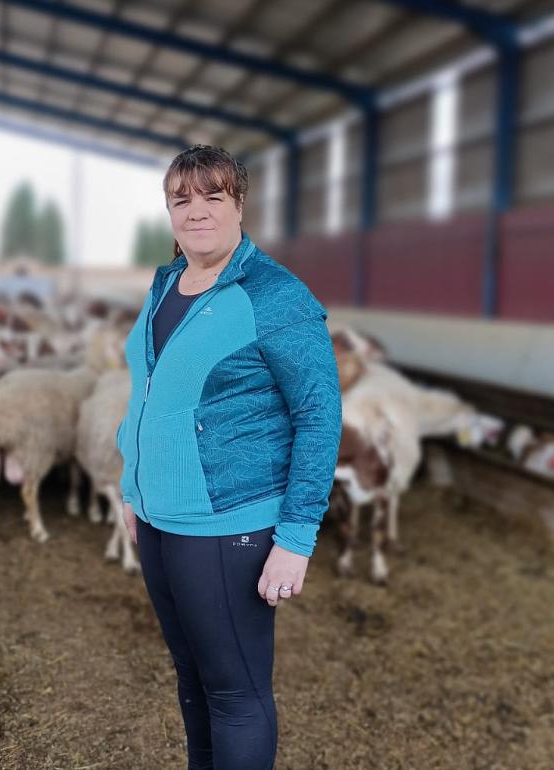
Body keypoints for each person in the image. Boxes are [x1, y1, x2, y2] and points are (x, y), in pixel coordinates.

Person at [115, 145, 341, 770]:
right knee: (193, 684)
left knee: (236, 692)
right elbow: (149, 395)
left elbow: (320, 416)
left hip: (229, 523)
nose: (197, 212)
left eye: (213, 196)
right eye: (181, 199)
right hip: (160, 520)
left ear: (239, 204)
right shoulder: (166, 284)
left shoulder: (276, 297)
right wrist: (133, 491)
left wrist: (296, 536)